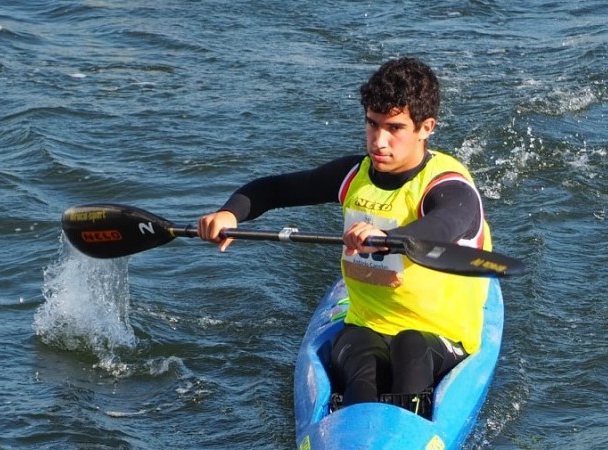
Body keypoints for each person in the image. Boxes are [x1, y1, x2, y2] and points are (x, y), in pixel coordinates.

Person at [197, 57, 492, 413]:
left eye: (394, 128)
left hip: (442, 333)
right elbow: (274, 189)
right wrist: (230, 212)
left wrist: (388, 237)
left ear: (425, 127)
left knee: (411, 347)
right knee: (357, 352)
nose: (379, 141)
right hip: (367, 323)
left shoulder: (449, 186)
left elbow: (446, 223)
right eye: (372, 124)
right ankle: (355, 436)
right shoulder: (353, 175)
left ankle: (408, 426)